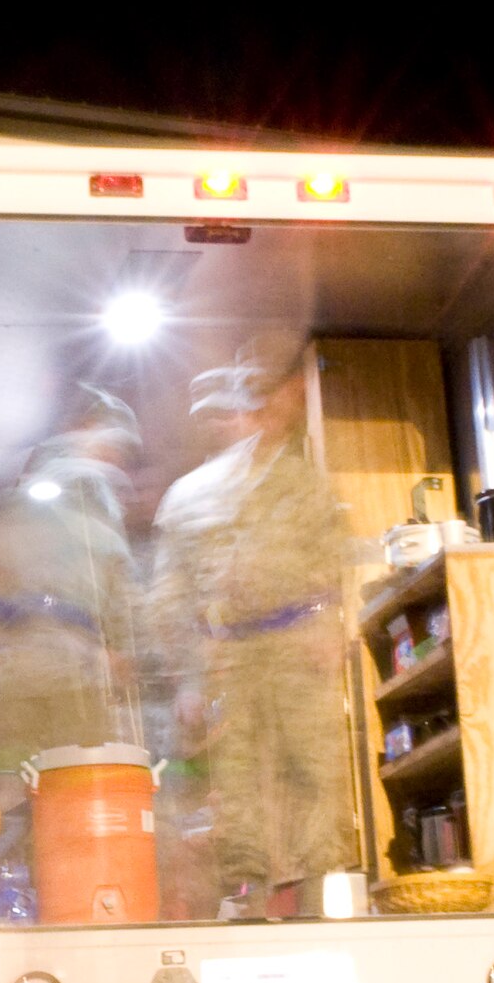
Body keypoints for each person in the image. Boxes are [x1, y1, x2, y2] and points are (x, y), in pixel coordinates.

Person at [149, 331, 354, 916]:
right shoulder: (186, 498)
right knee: (234, 783)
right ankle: (246, 896)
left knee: (315, 770)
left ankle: (323, 894)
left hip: (296, 642)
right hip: (227, 656)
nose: (224, 424)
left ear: (255, 412)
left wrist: (333, 629)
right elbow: (169, 596)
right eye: (211, 416)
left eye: (233, 410)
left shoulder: (304, 481)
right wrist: (187, 678)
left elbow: (335, 562)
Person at [0, 384, 141, 771]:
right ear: (91, 431)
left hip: (12, 671)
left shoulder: (12, 498)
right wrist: (123, 650)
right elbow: (123, 597)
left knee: (15, 784)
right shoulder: (99, 503)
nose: (117, 460)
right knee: (78, 786)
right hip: (74, 672)